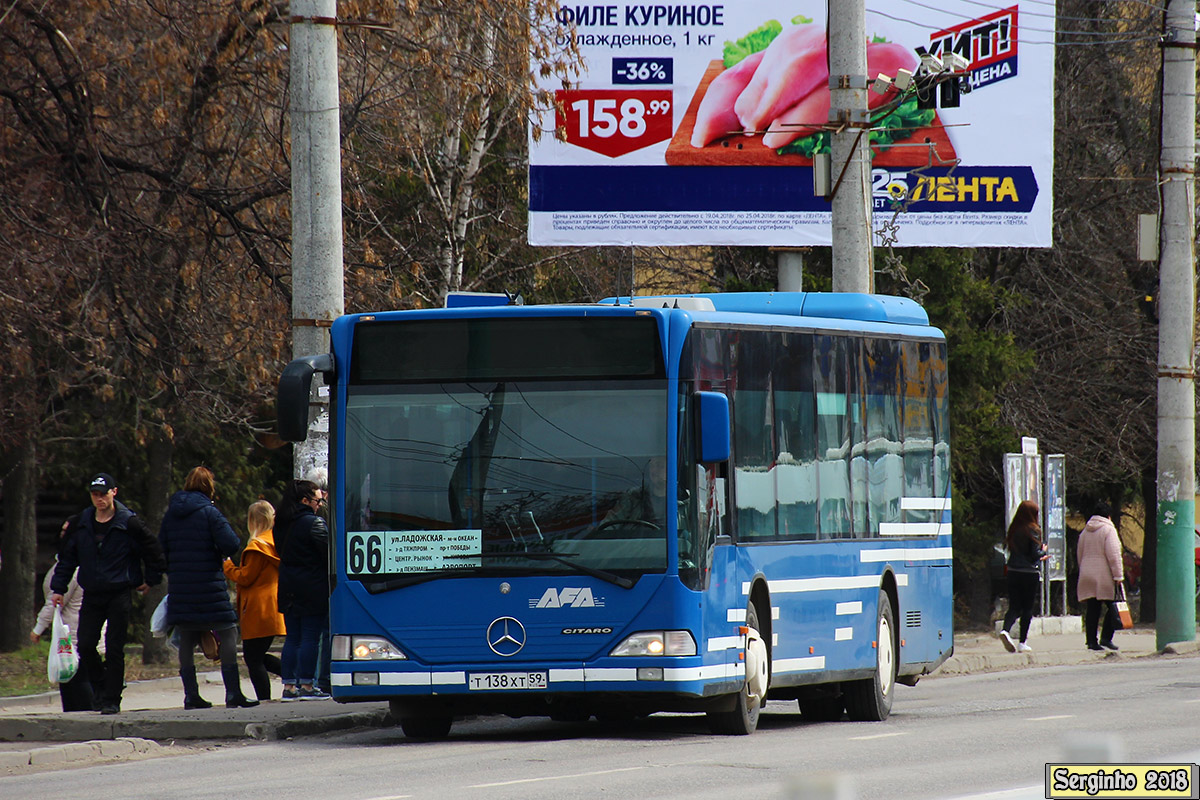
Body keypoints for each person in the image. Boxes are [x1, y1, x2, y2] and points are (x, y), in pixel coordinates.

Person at [52, 473, 166, 715]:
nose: (99, 499)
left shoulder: (128, 522)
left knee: (114, 648)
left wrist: (151, 579)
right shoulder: (83, 522)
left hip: (119, 591)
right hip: (92, 592)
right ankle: (102, 685)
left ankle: (111, 699)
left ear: (114, 492)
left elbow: (153, 550)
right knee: (85, 644)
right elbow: (68, 558)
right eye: (95, 494)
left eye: (103, 494)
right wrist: (59, 588)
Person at [159, 467, 259, 709]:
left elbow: (161, 548)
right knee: (227, 632)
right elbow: (232, 543)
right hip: (208, 584)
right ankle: (233, 693)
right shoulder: (209, 512)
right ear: (209, 487)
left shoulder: (171, 515)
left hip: (181, 585)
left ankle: (191, 695)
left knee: (187, 636)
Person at [223, 500, 285, 702]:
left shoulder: (257, 546)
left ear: (253, 520)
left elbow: (246, 577)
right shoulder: (277, 542)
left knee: (253, 657)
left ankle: (266, 697)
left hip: (258, 608)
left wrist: (228, 566)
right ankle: (294, 675)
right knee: (257, 655)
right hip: (273, 604)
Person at [276, 479, 331, 701]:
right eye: (318, 500)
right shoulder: (314, 523)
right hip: (312, 586)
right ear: (305, 500)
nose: (320, 504)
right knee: (310, 637)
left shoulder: (280, 523)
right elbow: (328, 555)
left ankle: (289, 686)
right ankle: (308, 685)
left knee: (293, 637)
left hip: (288, 585)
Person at [32, 519, 93, 711]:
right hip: (71, 629)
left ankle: (84, 715)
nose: (62, 534)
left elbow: (55, 601)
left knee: (76, 678)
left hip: (72, 631)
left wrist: (38, 628)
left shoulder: (72, 568)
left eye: (67, 530)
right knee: (70, 678)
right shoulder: (69, 562)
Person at [998, 500, 1048, 653]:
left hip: (1013, 571)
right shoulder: (1033, 530)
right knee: (1027, 608)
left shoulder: (1014, 529)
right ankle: (1022, 642)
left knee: (1014, 606)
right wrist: (1043, 551)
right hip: (1029, 573)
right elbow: (1034, 555)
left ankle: (1005, 630)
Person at [1077, 501, 1124, 652]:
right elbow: (1114, 555)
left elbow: (1079, 553)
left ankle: (1091, 641)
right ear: (1108, 516)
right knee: (1113, 606)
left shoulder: (1085, 531)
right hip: (1104, 576)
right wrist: (1118, 575)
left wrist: (1083, 569)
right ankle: (1106, 637)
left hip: (1087, 574)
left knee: (1093, 608)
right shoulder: (1108, 530)